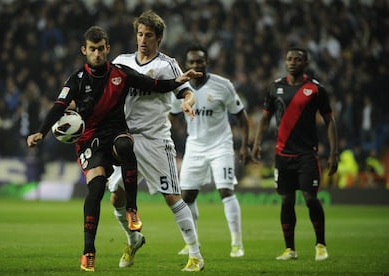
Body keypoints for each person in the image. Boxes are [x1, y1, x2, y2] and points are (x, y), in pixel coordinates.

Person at [26, 25, 201, 272]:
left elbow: (152, 84)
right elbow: (59, 104)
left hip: (142, 137)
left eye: (100, 49)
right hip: (91, 140)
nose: (97, 54)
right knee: (103, 193)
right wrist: (41, 132)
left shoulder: (126, 70)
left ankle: (191, 252)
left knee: (166, 189)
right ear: (84, 50)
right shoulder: (80, 77)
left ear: (107, 49)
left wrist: (179, 84)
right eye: (92, 50)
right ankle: (116, 244)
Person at [107, 10, 204, 272]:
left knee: (172, 197)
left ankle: (195, 255)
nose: (143, 39)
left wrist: (186, 103)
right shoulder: (121, 62)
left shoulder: (167, 65)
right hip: (126, 140)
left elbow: (187, 92)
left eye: (149, 35)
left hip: (155, 141)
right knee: (116, 199)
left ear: (159, 38)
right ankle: (133, 239)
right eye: (140, 34)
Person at [251, 47, 338, 261]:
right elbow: (265, 118)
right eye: (289, 59)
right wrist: (257, 142)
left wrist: (334, 152)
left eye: (298, 59)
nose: (292, 62)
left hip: (307, 155)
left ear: (306, 63)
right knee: (286, 201)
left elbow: (329, 121)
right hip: (282, 156)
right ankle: (290, 249)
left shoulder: (315, 89)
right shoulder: (275, 87)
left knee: (310, 199)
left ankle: (320, 244)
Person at [169, 43, 250, 258]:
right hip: (194, 146)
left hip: (220, 145)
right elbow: (171, 116)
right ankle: (191, 242)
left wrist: (244, 146)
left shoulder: (223, 86)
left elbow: (242, 116)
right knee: (186, 197)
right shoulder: (180, 90)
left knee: (225, 190)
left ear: (207, 63)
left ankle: (237, 243)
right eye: (192, 62)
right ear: (186, 65)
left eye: (200, 61)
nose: (196, 65)